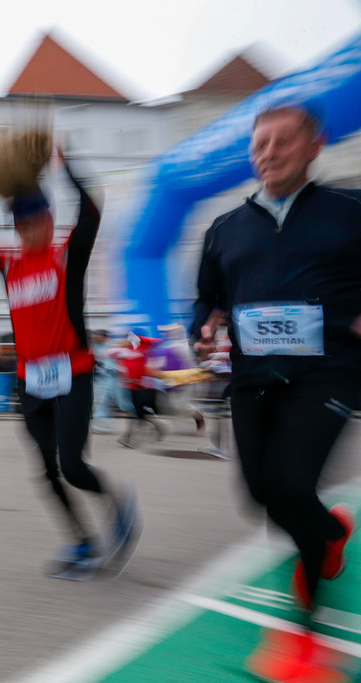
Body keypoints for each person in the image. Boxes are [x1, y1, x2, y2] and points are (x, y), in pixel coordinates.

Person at [192, 102, 361, 680]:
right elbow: (207, 296)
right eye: (260, 144)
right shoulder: (225, 229)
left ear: (314, 147)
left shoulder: (349, 211)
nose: (269, 152)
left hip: (328, 374)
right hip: (253, 379)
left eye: (282, 141)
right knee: (260, 496)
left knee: (291, 486)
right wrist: (203, 326)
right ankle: (330, 531)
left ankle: (307, 635)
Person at [0, 146, 138, 576]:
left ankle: (117, 501)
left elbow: (92, 210)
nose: (27, 229)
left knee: (72, 466)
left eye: (34, 221)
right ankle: (83, 543)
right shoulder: (8, 263)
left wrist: (66, 165)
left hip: (74, 374)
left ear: (50, 220)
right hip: (30, 382)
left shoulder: (67, 255)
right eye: (20, 223)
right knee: (47, 473)